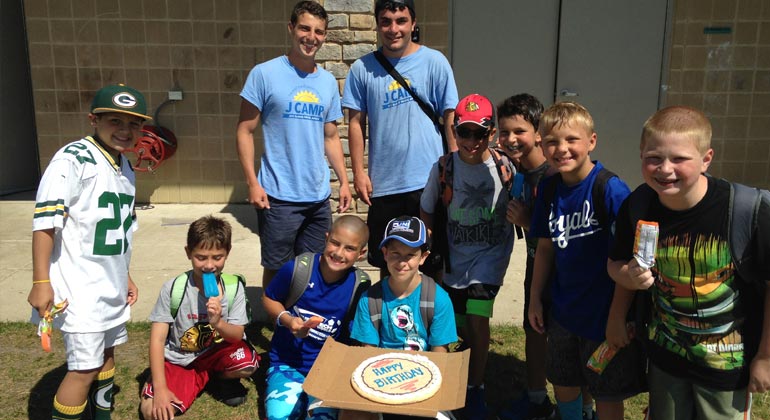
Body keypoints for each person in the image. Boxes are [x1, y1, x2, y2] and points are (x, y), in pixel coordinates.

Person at [607, 106, 770, 419]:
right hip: (666, 356)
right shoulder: (639, 204)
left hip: (727, 365)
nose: (665, 169)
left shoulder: (745, 211)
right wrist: (622, 292)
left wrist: (765, 356)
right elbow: (617, 264)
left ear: (706, 159)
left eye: (679, 159)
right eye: (653, 157)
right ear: (640, 154)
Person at [27, 84, 146, 420]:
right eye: (115, 120)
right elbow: (45, 223)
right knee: (83, 370)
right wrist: (40, 281)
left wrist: (127, 276)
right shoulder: (72, 158)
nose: (125, 130)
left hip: (109, 284)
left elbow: (119, 230)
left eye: (133, 123)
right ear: (94, 119)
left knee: (107, 354)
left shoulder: (125, 166)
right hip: (81, 288)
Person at [527, 102, 643, 420]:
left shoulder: (611, 190)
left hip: (604, 316)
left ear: (591, 141)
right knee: (564, 381)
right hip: (563, 311)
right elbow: (546, 248)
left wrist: (619, 317)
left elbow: (629, 261)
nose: (561, 149)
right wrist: (536, 298)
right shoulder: (549, 189)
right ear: (542, 144)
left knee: (606, 390)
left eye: (571, 140)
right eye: (551, 141)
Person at [236, 0, 352, 289]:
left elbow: (330, 136)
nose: (311, 37)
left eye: (319, 31)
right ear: (291, 28)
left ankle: (302, 323)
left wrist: (344, 182)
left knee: (312, 267)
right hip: (278, 195)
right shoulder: (264, 74)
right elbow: (244, 130)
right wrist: (252, 182)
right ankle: (278, 325)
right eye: (305, 28)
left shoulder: (326, 82)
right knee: (278, 268)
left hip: (316, 197)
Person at [341, 0, 459, 279]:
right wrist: (358, 173)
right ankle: (390, 321)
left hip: (428, 180)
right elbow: (356, 124)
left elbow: (450, 116)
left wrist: (456, 166)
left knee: (430, 259)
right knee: (389, 261)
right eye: (386, 21)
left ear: (413, 23)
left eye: (401, 21)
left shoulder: (434, 62)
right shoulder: (363, 69)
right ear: (378, 24)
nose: (394, 29)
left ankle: (430, 319)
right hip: (385, 184)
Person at [420, 94, 514, 419]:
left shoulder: (505, 167)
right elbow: (427, 205)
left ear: (492, 134)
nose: (472, 141)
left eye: (480, 133)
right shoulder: (445, 167)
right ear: (455, 132)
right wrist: (429, 239)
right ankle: (454, 380)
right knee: (456, 325)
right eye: (465, 133)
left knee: (478, 318)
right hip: (453, 260)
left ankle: (475, 388)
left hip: (490, 260)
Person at [139, 216, 258, 420]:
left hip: (216, 352)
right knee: (152, 412)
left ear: (227, 253)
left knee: (248, 364)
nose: (209, 265)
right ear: (188, 253)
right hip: (181, 359)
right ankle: (187, 379)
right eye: (201, 257)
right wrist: (160, 389)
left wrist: (218, 322)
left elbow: (237, 335)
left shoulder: (233, 287)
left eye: (217, 257)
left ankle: (220, 378)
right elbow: (157, 340)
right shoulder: (174, 288)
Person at [344, 216, 456, 420]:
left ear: (423, 257)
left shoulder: (439, 299)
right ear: (384, 254)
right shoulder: (370, 299)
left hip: (424, 381)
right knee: (350, 414)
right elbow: (368, 355)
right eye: (395, 253)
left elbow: (439, 355)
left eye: (410, 254)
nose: (402, 262)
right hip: (381, 381)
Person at [262, 215, 370, 420]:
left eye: (349, 248)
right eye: (335, 243)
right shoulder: (298, 268)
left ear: (361, 253)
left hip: (327, 369)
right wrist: (287, 320)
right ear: (326, 238)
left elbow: (358, 334)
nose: (338, 253)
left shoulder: (360, 285)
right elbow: (269, 297)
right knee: (280, 417)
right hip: (287, 362)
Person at [497, 94, 558, 420]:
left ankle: (581, 406)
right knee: (533, 329)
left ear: (538, 132)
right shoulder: (521, 172)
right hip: (536, 267)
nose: (510, 139)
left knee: (563, 339)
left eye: (519, 131)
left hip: (561, 273)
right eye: (504, 132)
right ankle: (537, 401)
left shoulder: (553, 175)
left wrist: (527, 221)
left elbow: (563, 229)